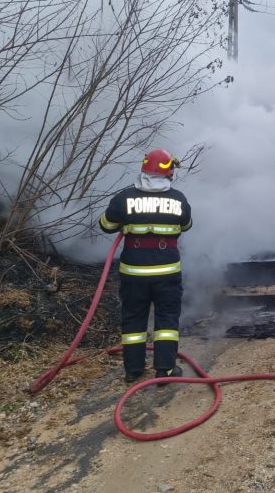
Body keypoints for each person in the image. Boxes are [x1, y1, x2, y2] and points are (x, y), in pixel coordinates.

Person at [99, 148, 193, 383]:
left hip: (134, 273)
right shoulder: (178, 199)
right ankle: (165, 369)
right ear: (168, 172)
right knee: (167, 319)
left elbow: (106, 225)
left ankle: (133, 370)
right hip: (167, 272)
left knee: (133, 319)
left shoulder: (124, 198)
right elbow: (186, 226)